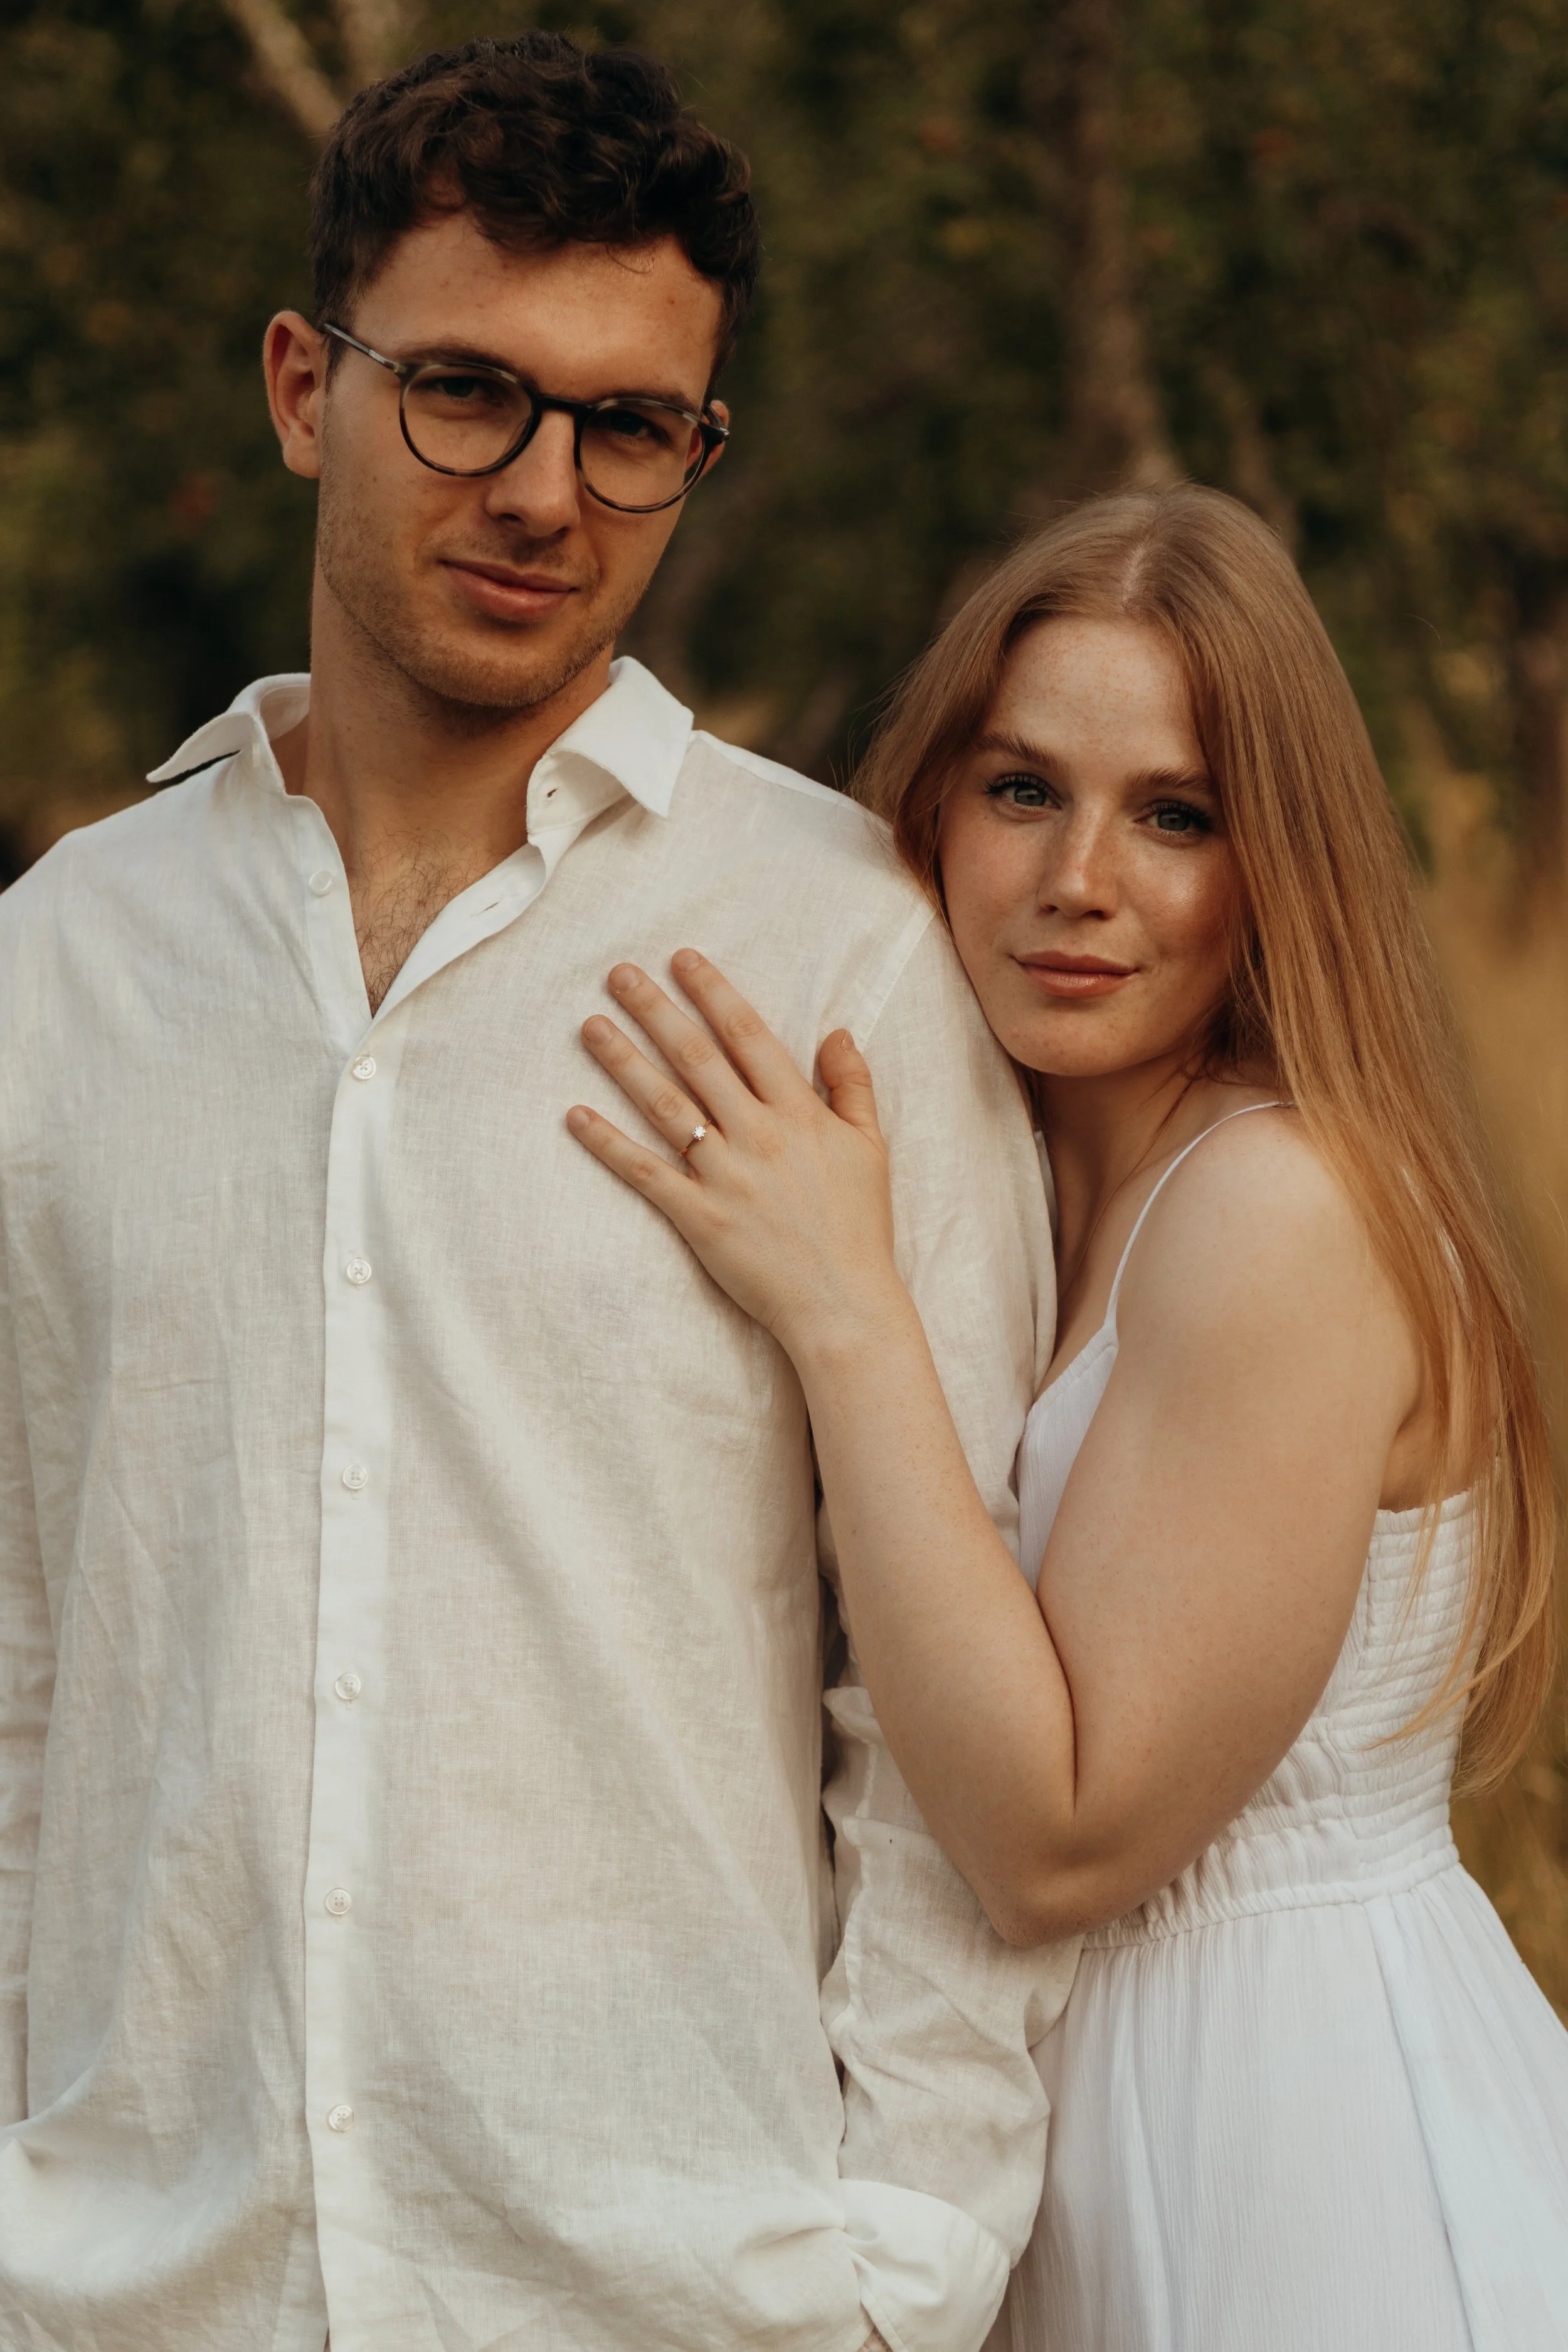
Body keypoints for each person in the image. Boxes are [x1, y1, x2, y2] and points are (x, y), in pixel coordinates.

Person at [0, 35, 1078, 2352]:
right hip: (137, 2293)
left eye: (628, 427)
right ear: (306, 386)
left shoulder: (838, 951)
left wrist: (899, 2266)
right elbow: (21, 1658)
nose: (543, 494)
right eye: (468, 394)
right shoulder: (59, 966)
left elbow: (929, 1697)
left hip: (673, 2290)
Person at [571, 482, 1568, 2352]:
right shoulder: (1022, 1191)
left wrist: (843, 1311)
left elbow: (1060, 1838)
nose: (1078, 878)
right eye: (1022, 788)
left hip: (1300, 2150)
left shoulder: (1278, 1213)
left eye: (1174, 814)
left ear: (1276, 862)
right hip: (1075, 2138)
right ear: (935, 807)